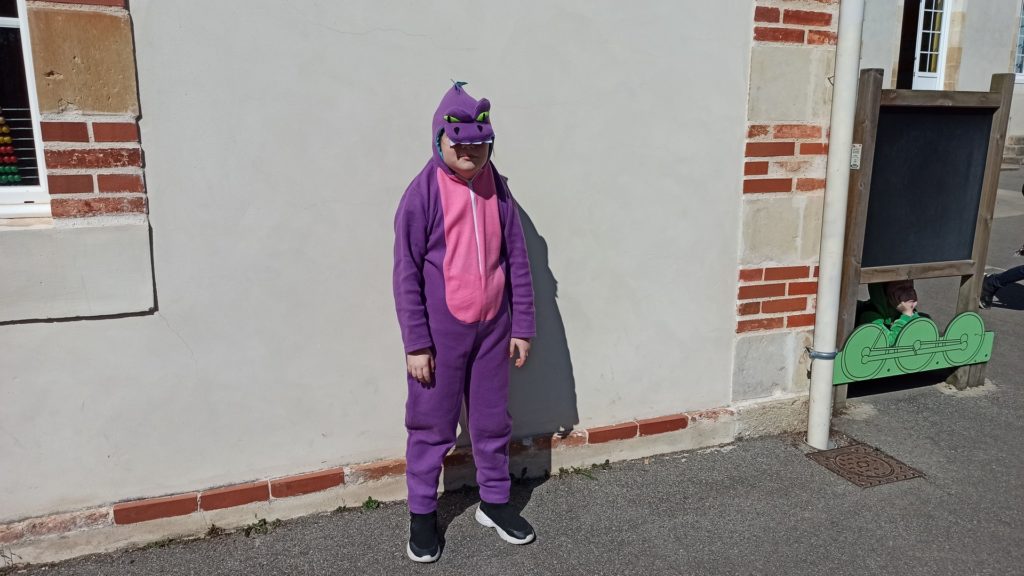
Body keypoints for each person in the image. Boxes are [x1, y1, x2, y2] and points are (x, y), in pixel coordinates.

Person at [393, 82, 536, 563]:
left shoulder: (498, 188)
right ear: (440, 140)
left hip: (494, 330)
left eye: (480, 143)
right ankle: (421, 513)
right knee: (430, 427)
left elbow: (517, 259)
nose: (470, 153)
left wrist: (522, 326)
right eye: (460, 144)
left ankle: (494, 502)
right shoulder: (422, 193)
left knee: (492, 422)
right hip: (439, 339)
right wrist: (417, 343)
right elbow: (406, 272)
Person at [856, 280, 919, 346]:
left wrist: (910, 312)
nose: (909, 293)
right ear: (884, 293)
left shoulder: (904, 309)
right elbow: (888, 344)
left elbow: (918, 334)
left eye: (910, 287)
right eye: (900, 288)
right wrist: (907, 314)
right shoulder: (870, 316)